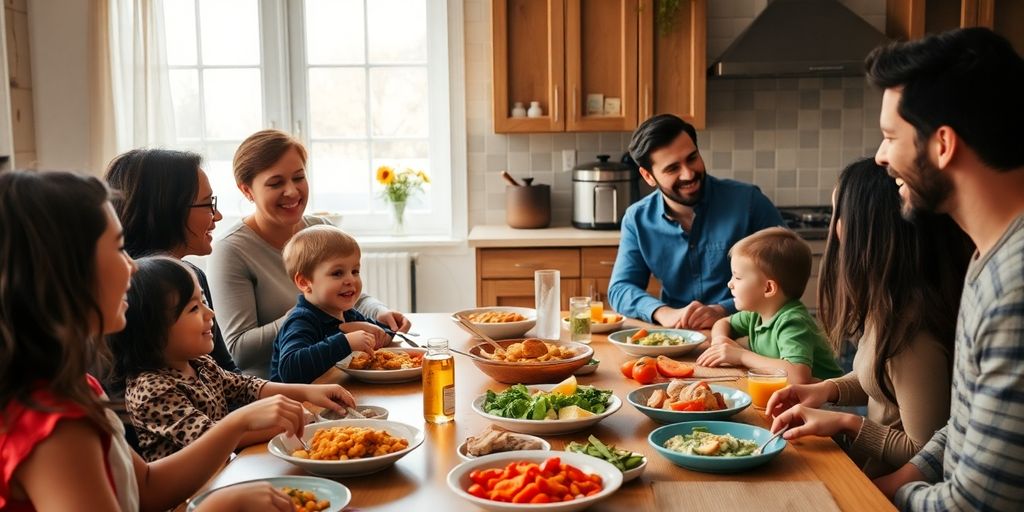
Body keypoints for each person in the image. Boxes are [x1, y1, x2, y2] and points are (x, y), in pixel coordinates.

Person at [0, 171, 301, 511]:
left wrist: (238, 424)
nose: (132, 267)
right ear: (65, 272)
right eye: (117, 248)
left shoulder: (75, 387)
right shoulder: (59, 427)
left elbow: (146, 487)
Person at [864, 28, 1024, 510]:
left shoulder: (1015, 286)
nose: (880, 156)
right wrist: (899, 480)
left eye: (891, 137)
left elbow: (973, 506)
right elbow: (969, 422)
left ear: (943, 144)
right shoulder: (989, 255)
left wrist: (859, 499)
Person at [765, 158, 970, 478]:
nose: (834, 226)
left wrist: (846, 423)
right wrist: (827, 390)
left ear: (863, 227)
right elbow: (877, 377)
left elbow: (926, 453)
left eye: (838, 214)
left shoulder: (912, 336)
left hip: (887, 489)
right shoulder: (888, 304)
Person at [109, 256, 357, 461]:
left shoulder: (200, 365)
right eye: (194, 308)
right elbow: (209, 438)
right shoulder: (152, 388)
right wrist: (281, 424)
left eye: (203, 302)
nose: (210, 313)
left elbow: (248, 387)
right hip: (190, 496)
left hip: (225, 471)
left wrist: (308, 393)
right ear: (152, 329)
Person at [209, 129, 411, 378]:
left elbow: (346, 297)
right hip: (276, 394)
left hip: (335, 376)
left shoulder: (322, 228)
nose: (292, 191)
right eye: (275, 183)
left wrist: (379, 313)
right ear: (247, 191)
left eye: (298, 177)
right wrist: (314, 317)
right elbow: (239, 350)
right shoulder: (231, 251)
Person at [608, 114, 785, 329]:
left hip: (748, 335)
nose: (688, 174)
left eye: (692, 158)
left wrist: (722, 310)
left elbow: (786, 273)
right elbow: (620, 288)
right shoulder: (637, 219)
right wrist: (664, 313)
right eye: (673, 168)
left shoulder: (749, 202)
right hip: (676, 338)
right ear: (648, 176)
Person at [104, 148, 237, 373]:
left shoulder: (192, 275)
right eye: (207, 204)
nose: (217, 216)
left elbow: (227, 374)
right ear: (167, 210)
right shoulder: (129, 291)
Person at [695, 227, 842, 383]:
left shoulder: (792, 323)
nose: (729, 284)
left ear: (768, 288)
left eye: (737, 278)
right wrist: (720, 341)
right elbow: (722, 322)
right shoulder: (757, 313)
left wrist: (741, 355)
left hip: (828, 405)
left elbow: (797, 376)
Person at [271, 225, 393, 383]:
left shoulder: (347, 313)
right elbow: (290, 369)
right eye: (337, 273)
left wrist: (380, 331)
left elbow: (384, 335)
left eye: (355, 271)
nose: (350, 280)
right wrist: (345, 341)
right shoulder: (301, 320)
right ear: (304, 282)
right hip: (299, 405)